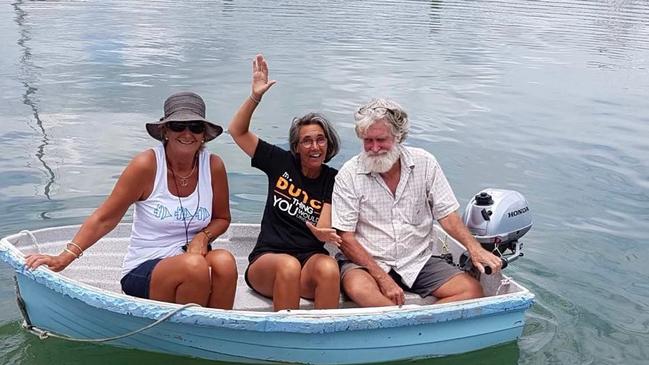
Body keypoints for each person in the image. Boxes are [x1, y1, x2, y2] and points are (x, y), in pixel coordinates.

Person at [25, 92, 238, 309]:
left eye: (195, 127)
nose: (187, 133)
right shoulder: (146, 165)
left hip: (194, 258)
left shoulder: (213, 166)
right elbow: (105, 219)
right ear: (165, 131)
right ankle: (184, 335)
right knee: (194, 267)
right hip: (146, 267)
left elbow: (221, 218)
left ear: (203, 134)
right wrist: (64, 258)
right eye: (178, 126)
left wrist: (202, 237)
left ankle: (213, 333)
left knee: (225, 262)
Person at [331, 98, 503, 307]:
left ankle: (417, 323)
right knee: (359, 288)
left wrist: (474, 248)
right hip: (367, 262)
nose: (374, 148)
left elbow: (447, 215)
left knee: (472, 290)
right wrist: (382, 279)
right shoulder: (348, 174)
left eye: (381, 140)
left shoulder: (425, 163)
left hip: (416, 259)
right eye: (368, 141)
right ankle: (411, 327)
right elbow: (346, 239)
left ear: (398, 136)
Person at [228, 55, 341, 311]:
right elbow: (237, 131)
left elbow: (322, 225)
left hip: (308, 260)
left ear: (328, 144)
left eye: (320, 140)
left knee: (329, 267)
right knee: (287, 266)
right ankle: (288, 345)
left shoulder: (333, 178)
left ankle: (323, 340)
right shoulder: (280, 162)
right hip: (268, 261)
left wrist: (322, 232)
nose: (314, 147)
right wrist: (256, 96)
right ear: (296, 147)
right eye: (307, 141)